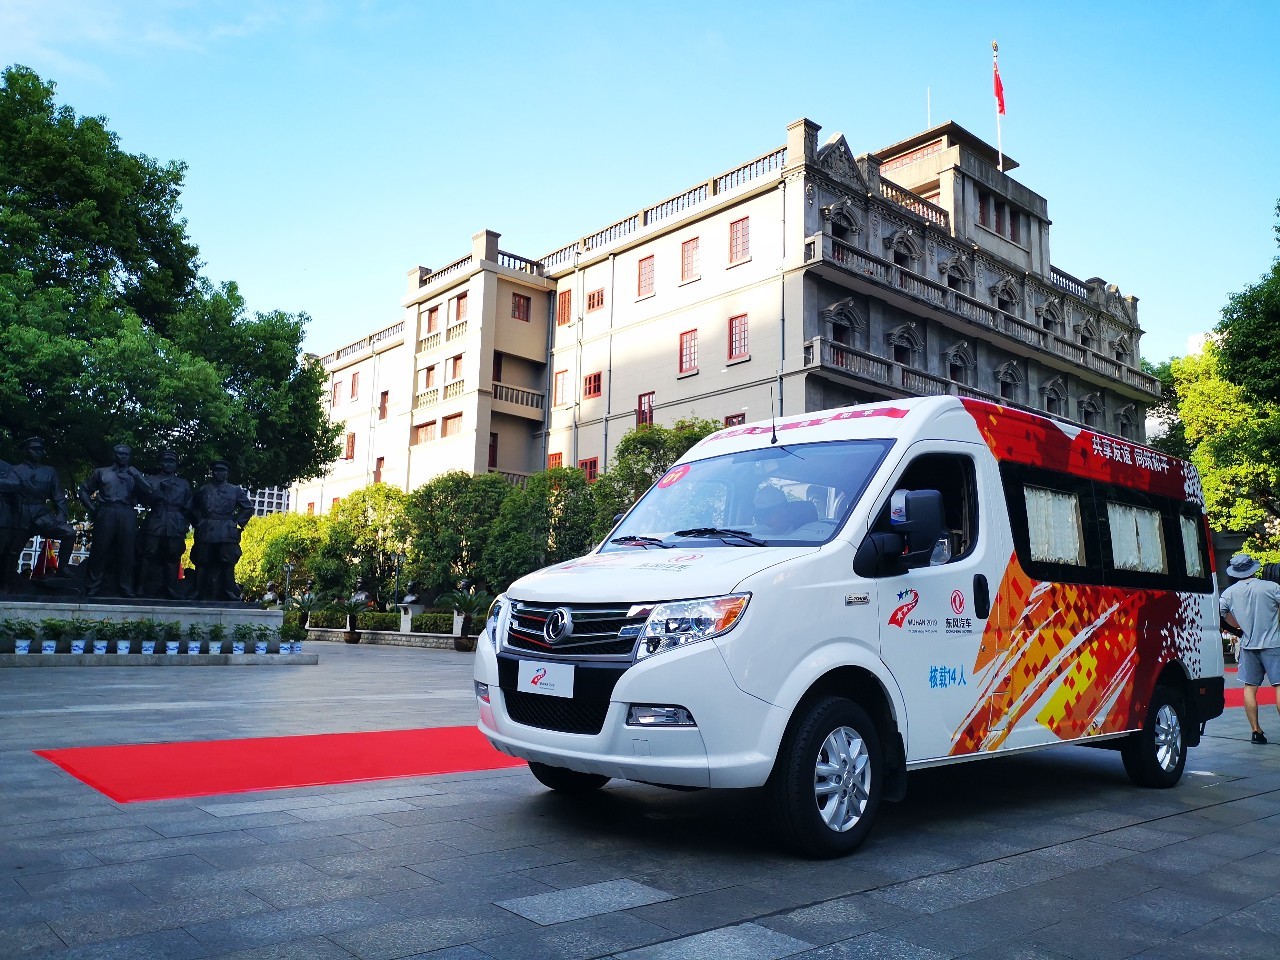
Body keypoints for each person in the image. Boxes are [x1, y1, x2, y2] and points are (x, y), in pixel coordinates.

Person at [1, 437, 77, 592]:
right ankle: (5, 583)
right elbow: (8, 488)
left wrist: (61, 515)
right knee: (12, 551)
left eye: (40, 449)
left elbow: (59, 496)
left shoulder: (49, 471)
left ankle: (63, 567)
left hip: (42, 514)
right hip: (22, 514)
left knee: (69, 533)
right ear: (25, 451)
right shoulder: (14, 470)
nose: (37, 452)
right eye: (33, 449)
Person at [77, 443, 153, 597]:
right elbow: (83, 490)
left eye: (126, 454)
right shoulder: (101, 472)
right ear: (114, 455)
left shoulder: (136, 475)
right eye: (120, 454)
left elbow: (150, 491)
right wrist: (93, 509)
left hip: (127, 512)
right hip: (107, 510)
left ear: (130, 457)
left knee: (127, 551)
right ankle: (93, 585)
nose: (123, 457)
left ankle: (126, 586)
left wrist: (137, 476)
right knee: (99, 549)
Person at [1220, 552, 1280, 745]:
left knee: (1250, 688)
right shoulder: (1271, 587)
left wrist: (1236, 631)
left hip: (1248, 645)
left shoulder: (1229, 593)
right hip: (1273, 643)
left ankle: (1255, 731)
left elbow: (1219, 615)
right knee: (1279, 686)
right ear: (1253, 569)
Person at [191, 460, 254, 601]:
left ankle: (229, 590)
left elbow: (248, 507)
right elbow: (192, 507)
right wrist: (199, 522)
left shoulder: (235, 490)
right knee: (202, 560)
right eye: (217, 471)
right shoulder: (204, 490)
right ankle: (197, 590)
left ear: (227, 473)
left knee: (227, 562)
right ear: (212, 473)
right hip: (207, 529)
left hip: (226, 530)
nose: (219, 473)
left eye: (222, 471)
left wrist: (238, 523)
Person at [139, 449, 193, 599]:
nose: (169, 465)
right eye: (166, 461)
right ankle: (140, 587)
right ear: (160, 463)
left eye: (172, 462)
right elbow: (143, 499)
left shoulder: (183, 484)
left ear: (176, 464)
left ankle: (171, 589)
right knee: (148, 553)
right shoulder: (151, 480)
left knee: (173, 555)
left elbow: (188, 505)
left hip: (175, 521)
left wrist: (184, 521)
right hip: (156, 518)